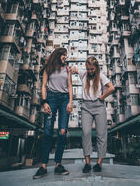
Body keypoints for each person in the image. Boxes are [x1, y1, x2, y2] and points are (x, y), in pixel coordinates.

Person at [33, 47, 73, 179]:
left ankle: (58, 165)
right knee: (47, 132)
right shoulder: (48, 68)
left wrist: (70, 101)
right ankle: (43, 166)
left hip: (64, 99)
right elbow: (43, 86)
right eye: (64, 55)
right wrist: (44, 102)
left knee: (62, 132)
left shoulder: (67, 69)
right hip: (51, 99)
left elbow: (70, 85)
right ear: (58, 55)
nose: (65, 57)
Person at [71, 56, 114, 173]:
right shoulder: (83, 74)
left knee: (101, 134)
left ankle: (99, 163)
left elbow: (111, 87)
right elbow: (74, 69)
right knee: (86, 133)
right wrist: (73, 68)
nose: (90, 71)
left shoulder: (101, 76)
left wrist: (102, 97)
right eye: (88, 69)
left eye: (92, 69)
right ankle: (87, 163)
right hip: (86, 107)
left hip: (99, 106)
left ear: (96, 68)